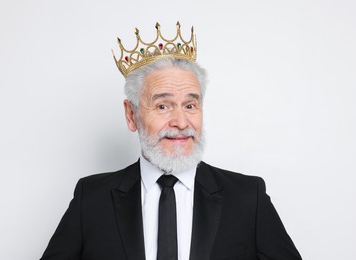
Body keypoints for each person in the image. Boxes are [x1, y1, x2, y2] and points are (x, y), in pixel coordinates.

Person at [40, 22, 302, 260]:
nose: (181, 122)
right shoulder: (92, 199)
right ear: (131, 115)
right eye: (163, 106)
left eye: (190, 105)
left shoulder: (247, 197)